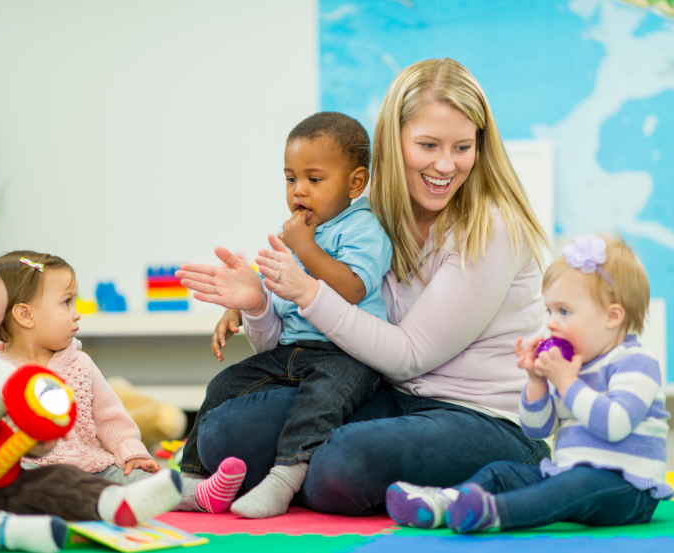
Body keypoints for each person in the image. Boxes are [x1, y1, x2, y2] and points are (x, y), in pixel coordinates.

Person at [175, 57, 551, 517]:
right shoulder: (364, 213)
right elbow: (287, 337)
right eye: (428, 144)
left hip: (481, 416)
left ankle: (511, 475)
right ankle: (305, 475)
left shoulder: (492, 227)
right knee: (224, 436)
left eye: (462, 147)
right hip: (388, 395)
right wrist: (257, 303)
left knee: (343, 463)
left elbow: (410, 354)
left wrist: (309, 292)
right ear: (394, 144)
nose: (445, 165)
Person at [175, 112, 393, 518]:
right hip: (292, 350)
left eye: (314, 179)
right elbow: (278, 292)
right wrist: (241, 306)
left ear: (355, 183)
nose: (299, 191)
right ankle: (193, 478)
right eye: (291, 179)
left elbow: (352, 288)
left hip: (346, 355)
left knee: (320, 402)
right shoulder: (298, 232)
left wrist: (306, 247)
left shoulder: (362, 228)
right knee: (226, 382)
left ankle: (285, 477)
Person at [386, 234, 673, 533]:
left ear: (612, 316)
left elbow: (615, 424)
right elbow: (538, 430)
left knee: (577, 483)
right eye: (549, 311)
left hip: (628, 488)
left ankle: (493, 513)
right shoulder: (572, 367)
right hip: (567, 476)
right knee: (502, 472)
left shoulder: (636, 362)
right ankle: (445, 503)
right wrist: (536, 381)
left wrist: (567, 382)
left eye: (564, 311)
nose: (550, 322)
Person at [0, 250, 183, 553]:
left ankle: (112, 503)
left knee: (56, 476)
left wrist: (38, 440)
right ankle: (3, 531)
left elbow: (17, 429)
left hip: (7, 480)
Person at [0, 251, 245, 512]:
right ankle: (97, 507)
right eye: (66, 303)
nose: (77, 314)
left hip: (93, 469)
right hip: (32, 472)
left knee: (139, 480)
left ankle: (200, 493)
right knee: (19, 489)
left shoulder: (80, 363)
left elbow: (110, 417)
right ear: (25, 315)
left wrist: (132, 452)